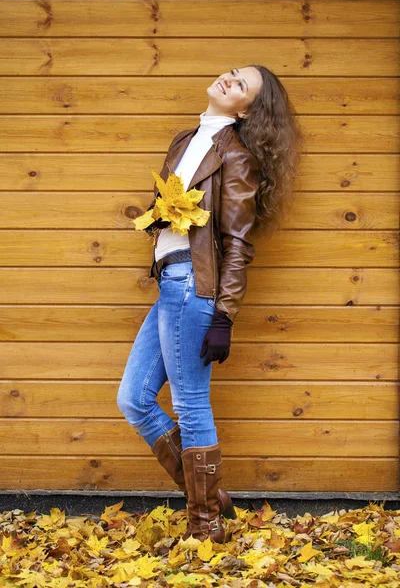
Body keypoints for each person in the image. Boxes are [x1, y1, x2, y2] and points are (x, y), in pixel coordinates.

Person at [116, 65, 303, 551]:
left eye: (241, 85)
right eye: (233, 73)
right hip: (168, 284)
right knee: (134, 399)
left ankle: (205, 528)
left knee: (189, 403)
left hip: (192, 288)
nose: (228, 80)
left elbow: (237, 243)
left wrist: (224, 315)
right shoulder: (186, 139)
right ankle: (213, 498)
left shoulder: (237, 156)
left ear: (246, 110)